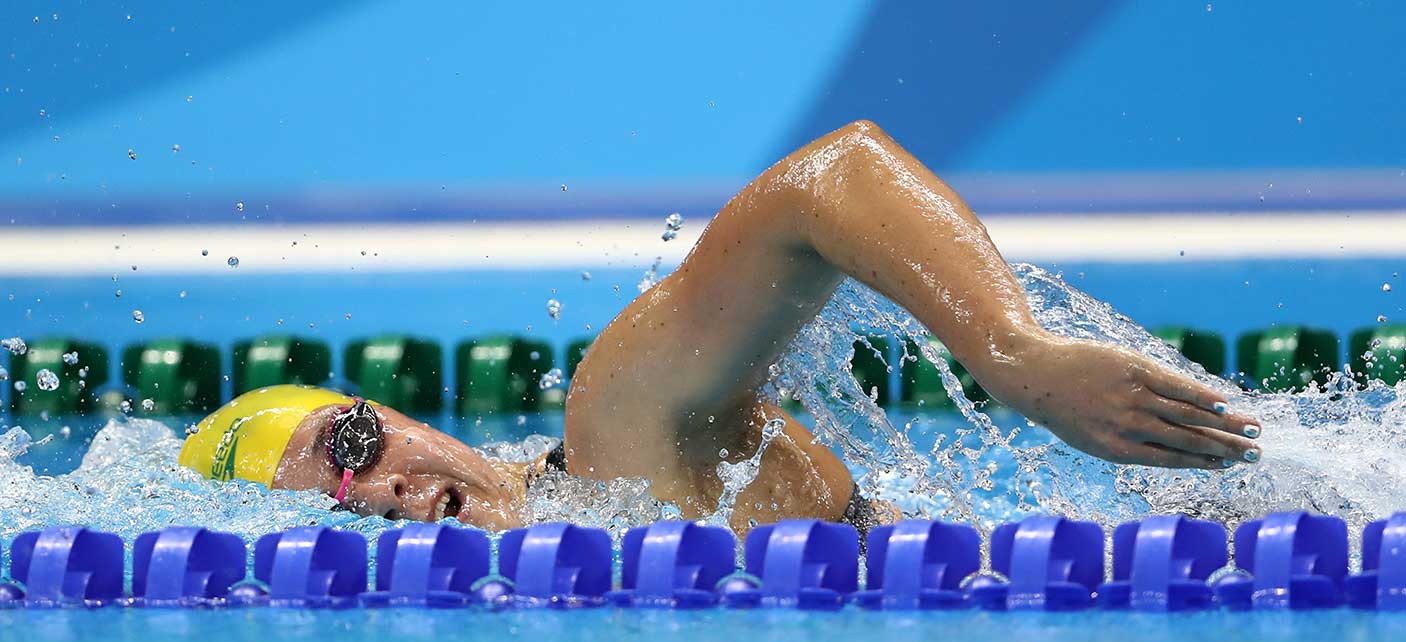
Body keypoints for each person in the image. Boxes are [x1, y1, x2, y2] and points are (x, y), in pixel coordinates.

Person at [179, 121, 1262, 534]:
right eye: (331, 513)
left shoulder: (617, 438)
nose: (372, 490)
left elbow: (827, 180)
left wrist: (1009, 354)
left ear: (394, 415)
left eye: (350, 445)